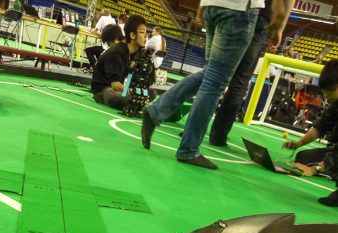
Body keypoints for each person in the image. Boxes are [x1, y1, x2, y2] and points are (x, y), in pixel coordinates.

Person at [141, 0, 267, 169]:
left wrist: (202, 4)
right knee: (215, 80)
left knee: (210, 73)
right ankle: (188, 149)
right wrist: (281, 18)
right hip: (239, 10)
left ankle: (156, 111)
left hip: (213, 5)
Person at [209, 0, 294, 147]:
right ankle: (218, 136)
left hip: (239, 8)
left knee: (215, 72)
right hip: (262, 16)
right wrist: (280, 27)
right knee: (240, 79)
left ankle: (193, 130)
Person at [282, 58, 338, 206]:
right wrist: (297, 144)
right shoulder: (335, 105)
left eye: (328, 91)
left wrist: (315, 169)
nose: (325, 95)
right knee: (303, 157)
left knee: (330, 161)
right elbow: (320, 128)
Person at [91, 15, 149, 110]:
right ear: (132, 35)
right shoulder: (116, 51)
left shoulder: (137, 54)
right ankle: (137, 104)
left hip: (119, 88)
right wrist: (131, 93)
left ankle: (136, 102)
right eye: (142, 32)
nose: (145, 37)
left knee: (150, 92)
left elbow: (130, 76)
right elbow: (115, 84)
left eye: (146, 33)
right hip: (103, 88)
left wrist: (141, 94)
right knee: (118, 97)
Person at [84, 8, 116, 73]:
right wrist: (98, 33)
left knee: (88, 50)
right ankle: (100, 69)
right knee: (98, 53)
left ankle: (96, 69)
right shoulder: (113, 20)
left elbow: (94, 30)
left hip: (104, 47)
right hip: (111, 48)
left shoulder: (102, 18)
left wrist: (90, 30)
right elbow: (107, 34)